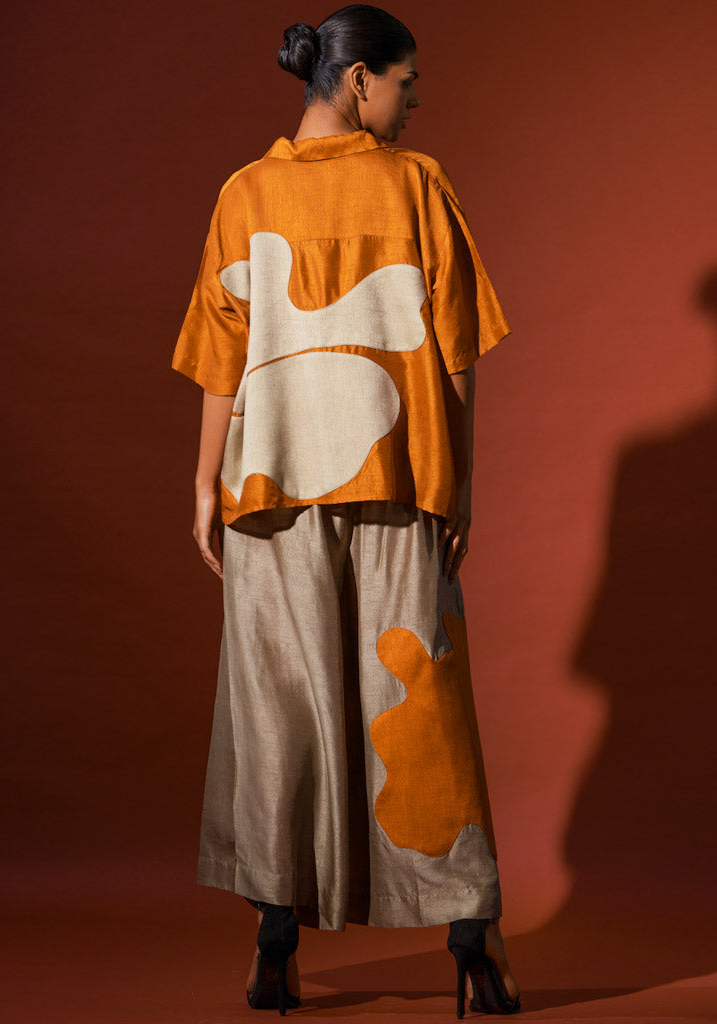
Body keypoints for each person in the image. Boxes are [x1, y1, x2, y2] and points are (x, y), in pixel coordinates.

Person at [172, 4, 520, 1016]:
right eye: (405, 84)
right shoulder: (417, 184)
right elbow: (455, 347)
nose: (413, 104)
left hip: (270, 484)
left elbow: (221, 352)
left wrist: (204, 482)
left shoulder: (246, 192)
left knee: (277, 706)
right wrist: (460, 477)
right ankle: (473, 940)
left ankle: (275, 940)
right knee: (423, 704)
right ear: (360, 79)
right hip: (401, 472)